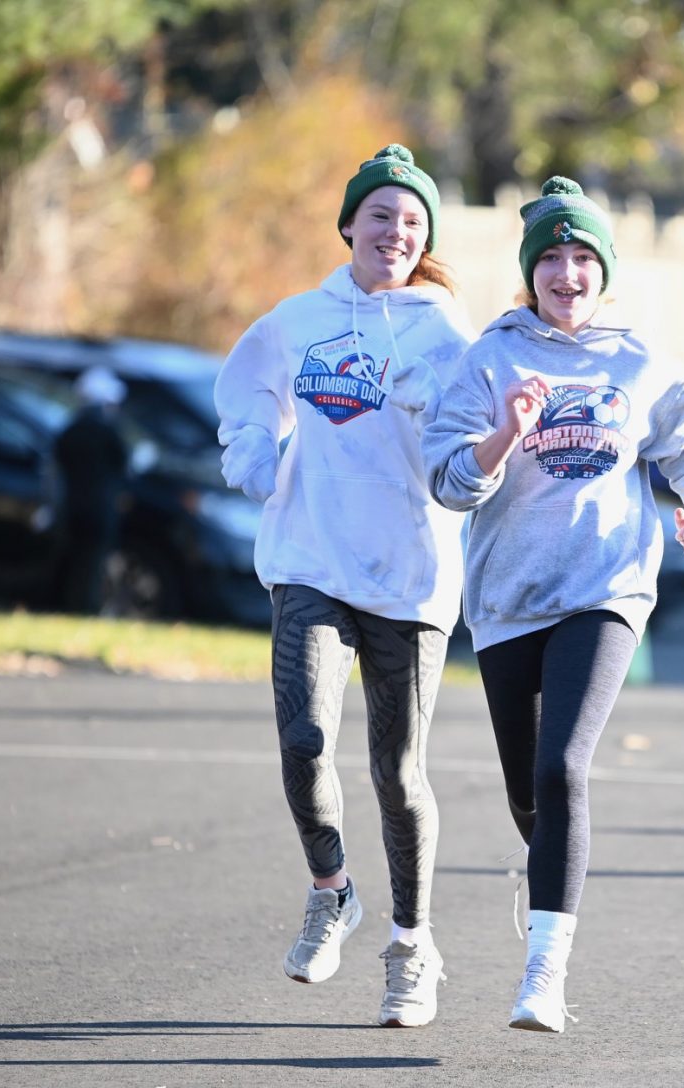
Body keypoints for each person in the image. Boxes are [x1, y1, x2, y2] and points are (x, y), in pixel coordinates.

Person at [424, 177, 684, 1033]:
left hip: (606, 589)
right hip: (507, 597)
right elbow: (449, 482)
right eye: (552, 260)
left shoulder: (638, 362)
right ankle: (544, 859)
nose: (567, 273)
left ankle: (544, 974)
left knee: (563, 768)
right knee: (530, 790)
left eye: (583, 258)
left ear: (604, 270)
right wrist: (505, 432)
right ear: (531, 274)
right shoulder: (489, 360)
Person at [213, 144, 474, 1028]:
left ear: (424, 237)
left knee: (397, 774)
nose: (395, 230)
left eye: (412, 220)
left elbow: (475, 451)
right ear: (349, 225)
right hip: (310, 557)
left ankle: (412, 943)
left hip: (407, 575)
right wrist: (251, 448)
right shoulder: (298, 319)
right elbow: (250, 388)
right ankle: (332, 888)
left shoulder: (449, 336)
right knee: (303, 738)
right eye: (381, 215)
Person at [53, 365, 130, 614]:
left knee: (75, 561)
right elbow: (123, 464)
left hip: (72, 506)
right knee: (94, 563)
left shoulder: (71, 431)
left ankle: (71, 604)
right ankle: (87, 607)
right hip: (100, 509)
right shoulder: (108, 432)